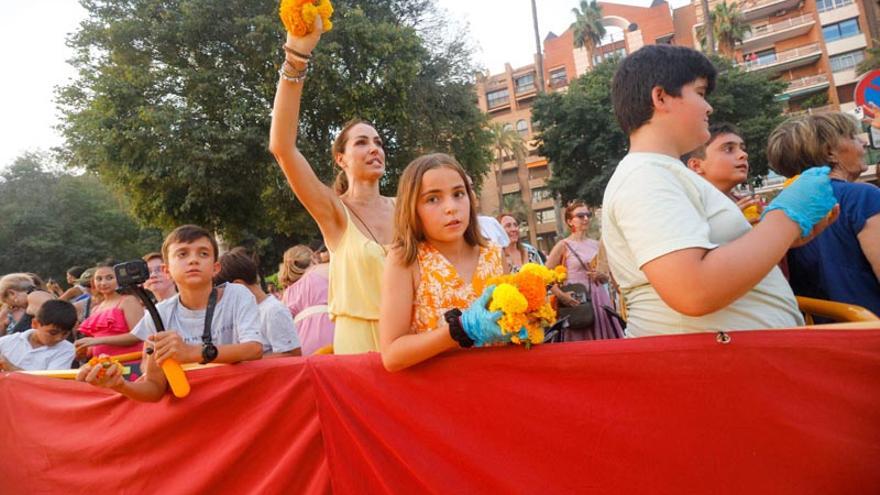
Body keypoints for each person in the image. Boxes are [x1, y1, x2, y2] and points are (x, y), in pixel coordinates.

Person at [602, 44, 837, 337]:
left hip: (729, 365)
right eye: (700, 93)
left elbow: (711, 260)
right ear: (660, 97)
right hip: (708, 369)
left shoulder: (662, 173)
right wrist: (785, 219)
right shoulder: (645, 176)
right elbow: (693, 290)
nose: (708, 107)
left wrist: (784, 237)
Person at [269, 18, 394, 355]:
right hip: (359, 348)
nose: (375, 149)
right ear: (340, 159)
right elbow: (282, 147)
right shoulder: (335, 213)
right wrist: (296, 57)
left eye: (379, 142)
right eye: (362, 143)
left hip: (411, 341)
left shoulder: (407, 207)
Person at [76, 225, 264, 402]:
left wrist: (192, 353)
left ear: (215, 268)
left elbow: (253, 349)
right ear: (167, 271)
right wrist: (119, 384)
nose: (193, 260)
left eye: (203, 253)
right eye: (182, 254)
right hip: (192, 412)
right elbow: (154, 387)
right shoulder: (159, 314)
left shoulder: (237, 295)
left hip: (242, 402)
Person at [379, 153, 507, 372]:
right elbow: (391, 355)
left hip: (497, 387)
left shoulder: (494, 253)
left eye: (458, 194)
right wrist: (459, 330)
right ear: (412, 208)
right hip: (436, 396)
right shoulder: (405, 259)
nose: (451, 207)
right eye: (433, 199)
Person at [767, 112, 880, 315]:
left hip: (819, 335)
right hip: (869, 331)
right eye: (853, 137)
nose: (863, 142)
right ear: (830, 153)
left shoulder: (778, 209)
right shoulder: (862, 197)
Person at [546, 201, 623, 340]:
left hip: (599, 299)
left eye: (588, 215)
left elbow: (606, 277)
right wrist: (561, 295)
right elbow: (544, 276)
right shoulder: (563, 245)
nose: (586, 219)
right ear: (570, 221)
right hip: (576, 299)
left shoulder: (596, 245)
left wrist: (601, 275)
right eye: (580, 216)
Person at [215, 247, 301, 357]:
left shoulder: (273, 311)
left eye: (223, 291)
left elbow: (293, 354)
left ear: (238, 285)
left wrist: (248, 362)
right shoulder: (242, 313)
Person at [682, 122, 763, 221]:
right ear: (696, 166)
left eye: (742, 148)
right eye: (729, 149)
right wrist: (724, 224)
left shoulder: (744, 204)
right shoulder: (684, 210)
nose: (743, 154)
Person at [73, 261, 144, 363]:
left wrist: (97, 341)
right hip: (103, 367)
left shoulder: (128, 301)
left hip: (130, 363)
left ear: (119, 279)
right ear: (93, 282)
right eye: (99, 279)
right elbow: (96, 343)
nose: (103, 283)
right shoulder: (96, 309)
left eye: (109, 278)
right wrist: (84, 351)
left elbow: (138, 335)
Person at [281, 245, 335, 356]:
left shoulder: (287, 294)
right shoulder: (322, 270)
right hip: (331, 333)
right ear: (312, 258)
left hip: (301, 344)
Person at [0, 299, 77, 371]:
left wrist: (11, 368)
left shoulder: (66, 349)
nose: (59, 338)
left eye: (65, 334)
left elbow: (51, 382)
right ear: (35, 324)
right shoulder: (6, 342)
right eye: (53, 333)